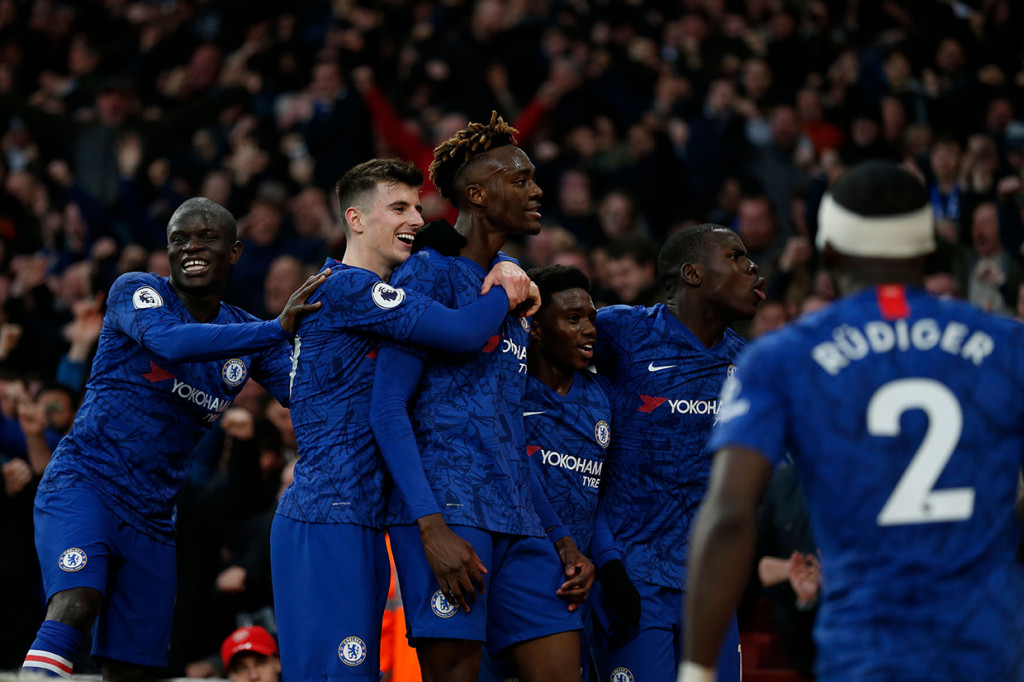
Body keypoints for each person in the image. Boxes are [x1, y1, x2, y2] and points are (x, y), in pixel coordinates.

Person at [681, 160, 1024, 682]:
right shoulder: (1007, 346)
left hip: (868, 650)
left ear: (829, 251)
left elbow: (729, 514)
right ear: (928, 249)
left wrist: (697, 668)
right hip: (993, 647)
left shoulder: (784, 358)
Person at [21, 197, 324, 681]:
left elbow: (308, 395)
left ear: (235, 251)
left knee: (134, 668)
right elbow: (171, 342)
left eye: (207, 238)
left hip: (155, 520)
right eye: (180, 239)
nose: (192, 248)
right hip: (85, 485)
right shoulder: (137, 291)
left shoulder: (245, 332)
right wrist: (274, 328)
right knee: (77, 602)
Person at [271, 157, 538, 682]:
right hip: (327, 514)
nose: (416, 218)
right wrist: (504, 283)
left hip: (365, 517)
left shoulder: (361, 292)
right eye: (398, 207)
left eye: (418, 206)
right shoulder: (348, 288)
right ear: (355, 219)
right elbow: (463, 333)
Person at [369, 113, 593, 682]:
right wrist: (430, 527)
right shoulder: (428, 274)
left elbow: (509, 433)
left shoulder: (516, 293)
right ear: (477, 193)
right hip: (448, 515)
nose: (537, 190)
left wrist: (561, 537)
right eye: (520, 180)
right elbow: (388, 407)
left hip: (520, 521)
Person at [591, 223, 766, 682]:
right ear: (692, 273)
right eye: (735, 256)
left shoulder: (750, 364)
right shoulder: (621, 331)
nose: (753, 268)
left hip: (711, 580)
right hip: (632, 574)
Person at [479, 264, 625, 682]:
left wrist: (601, 559)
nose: (589, 329)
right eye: (573, 318)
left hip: (573, 583)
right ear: (537, 329)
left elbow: (599, 495)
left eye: (592, 318)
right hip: (509, 571)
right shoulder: (509, 391)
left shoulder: (601, 398)